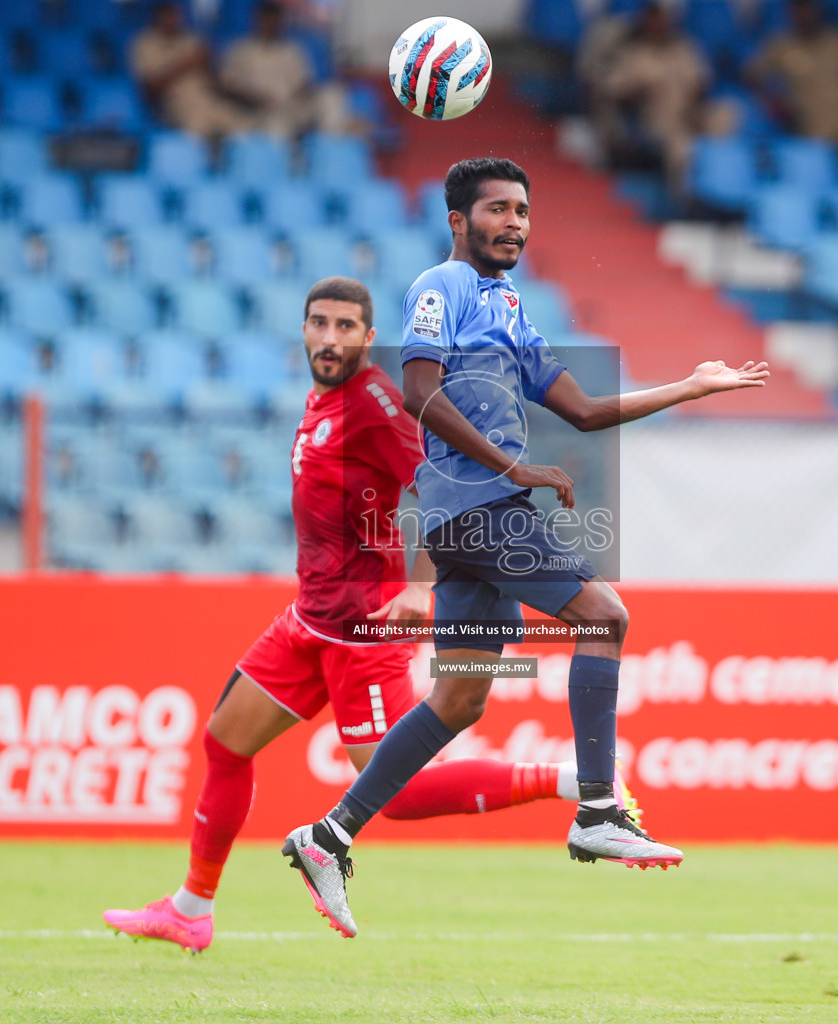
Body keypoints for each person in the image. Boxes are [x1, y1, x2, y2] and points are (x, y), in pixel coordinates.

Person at [281, 158, 771, 938]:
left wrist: (689, 386)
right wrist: (512, 465)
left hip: (473, 515)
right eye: (499, 209)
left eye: (522, 211)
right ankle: (599, 809)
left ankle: (329, 836)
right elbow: (417, 391)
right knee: (604, 616)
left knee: (460, 698)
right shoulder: (440, 288)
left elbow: (580, 409)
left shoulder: (509, 305)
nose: (515, 222)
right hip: (477, 507)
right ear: (458, 221)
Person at [101, 277, 628, 954]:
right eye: (319, 323)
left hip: (362, 632)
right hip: (309, 619)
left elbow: (448, 487)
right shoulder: (325, 398)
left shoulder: (376, 404)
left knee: (397, 794)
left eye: (345, 327)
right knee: (225, 742)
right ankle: (190, 909)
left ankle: (572, 781)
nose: (329, 337)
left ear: (367, 336)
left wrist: (419, 586)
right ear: (303, 328)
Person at [581, 3, 737, 184]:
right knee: (681, 145)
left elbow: (701, 79)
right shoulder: (636, 53)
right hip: (658, 116)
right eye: (654, 23)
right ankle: (686, 198)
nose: (659, 27)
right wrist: (639, 92)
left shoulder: (683, 47)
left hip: (691, 111)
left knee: (728, 114)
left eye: (663, 22)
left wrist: (695, 104)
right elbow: (614, 89)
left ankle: (724, 182)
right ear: (645, 24)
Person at [744, 0, 838, 143]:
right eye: (799, 10)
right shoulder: (780, 45)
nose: (805, 15)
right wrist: (774, 102)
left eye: (808, 9)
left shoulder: (836, 41)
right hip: (809, 122)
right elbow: (752, 75)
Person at [216, 0, 351, 138]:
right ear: (257, 21)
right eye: (267, 20)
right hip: (258, 109)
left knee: (332, 95)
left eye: (275, 20)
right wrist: (254, 99)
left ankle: (330, 144)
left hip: (291, 106)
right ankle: (281, 154)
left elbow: (303, 84)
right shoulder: (241, 50)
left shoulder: (291, 51)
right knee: (276, 124)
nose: (271, 24)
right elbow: (227, 86)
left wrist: (306, 94)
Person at [130, 1, 247, 138]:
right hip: (177, 105)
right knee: (200, 130)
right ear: (157, 18)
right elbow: (150, 89)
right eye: (167, 16)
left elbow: (217, 81)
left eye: (175, 16)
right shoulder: (146, 43)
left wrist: (210, 63)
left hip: (208, 99)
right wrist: (187, 64)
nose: (172, 20)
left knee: (245, 128)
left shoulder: (191, 40)